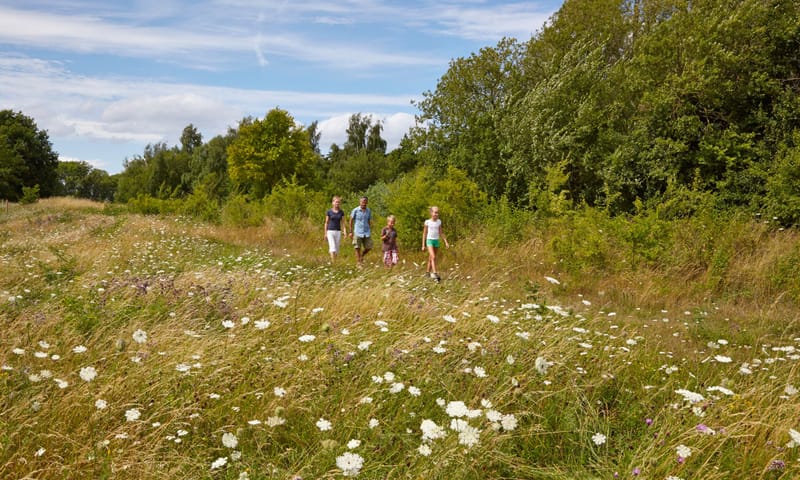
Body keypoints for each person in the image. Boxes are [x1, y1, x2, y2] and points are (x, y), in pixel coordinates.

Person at [421, 206, 449, 281]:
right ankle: (435, 273)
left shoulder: (439, 222)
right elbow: (424, 233)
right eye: (435, 212)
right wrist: (423, 245)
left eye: (437, 212)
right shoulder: (427, 222)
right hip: (429, 241)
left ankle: (427, 273)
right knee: (433, 257)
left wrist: (446, 242)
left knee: (431, 258)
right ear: (431, 213)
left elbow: (441, 232)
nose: (436, 214)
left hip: (436, 241)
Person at [348, 196, 373, 266]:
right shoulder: (355, 210)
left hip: (366, 232)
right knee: (357, 247)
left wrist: (370, 228)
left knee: (369, 246)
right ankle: (359, 262)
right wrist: (350, 231)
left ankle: (362, 255)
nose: (363, 203)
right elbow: (351, 221)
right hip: (357, 232)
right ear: (360, 202)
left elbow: (369, 220)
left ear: (367, 202)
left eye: (365, 202)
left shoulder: (368, 210)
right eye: (362, 202)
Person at [324, 196, 347, 262]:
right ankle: (333, 263)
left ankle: (335, 261)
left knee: (336, 249)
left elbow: (343, 223)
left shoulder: (341, 212)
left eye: (339, 202)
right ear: (333, 202)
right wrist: (325, 233)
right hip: (330, 231)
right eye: (336, 202)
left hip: (338, 232)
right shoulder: (329, 212)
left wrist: (345, 232)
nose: (337, 203)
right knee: (332, 247)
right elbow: (326, 223)